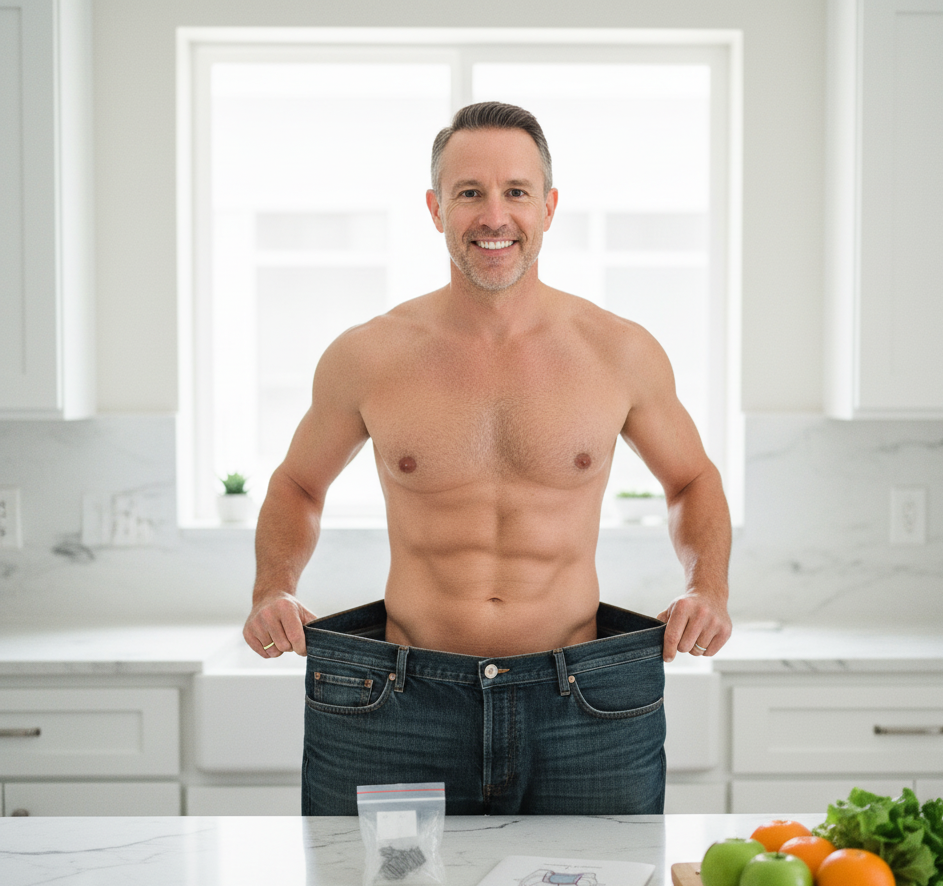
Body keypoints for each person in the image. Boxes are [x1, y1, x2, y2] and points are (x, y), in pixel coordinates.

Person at [243, 101, 732, 816]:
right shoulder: (369, 355)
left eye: (516, 192)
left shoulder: (617, 351)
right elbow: (296, 485)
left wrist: (708, 587)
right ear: (436, 208)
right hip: (400, 704)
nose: (493, 216)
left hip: (581, 703)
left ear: (549, 207)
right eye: (470, 192)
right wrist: (273, 588)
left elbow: (692, 479)